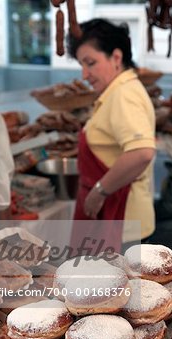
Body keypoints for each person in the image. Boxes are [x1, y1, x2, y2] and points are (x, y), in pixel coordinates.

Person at [67, 18, 156, 252]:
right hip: (115, 217)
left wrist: (99, 191)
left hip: (121, 220)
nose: (85, 75)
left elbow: (142, 152)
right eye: (81, 65)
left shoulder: (123, 94)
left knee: (115, 289)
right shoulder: (118, 90)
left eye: (91, 63)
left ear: (116, 57)